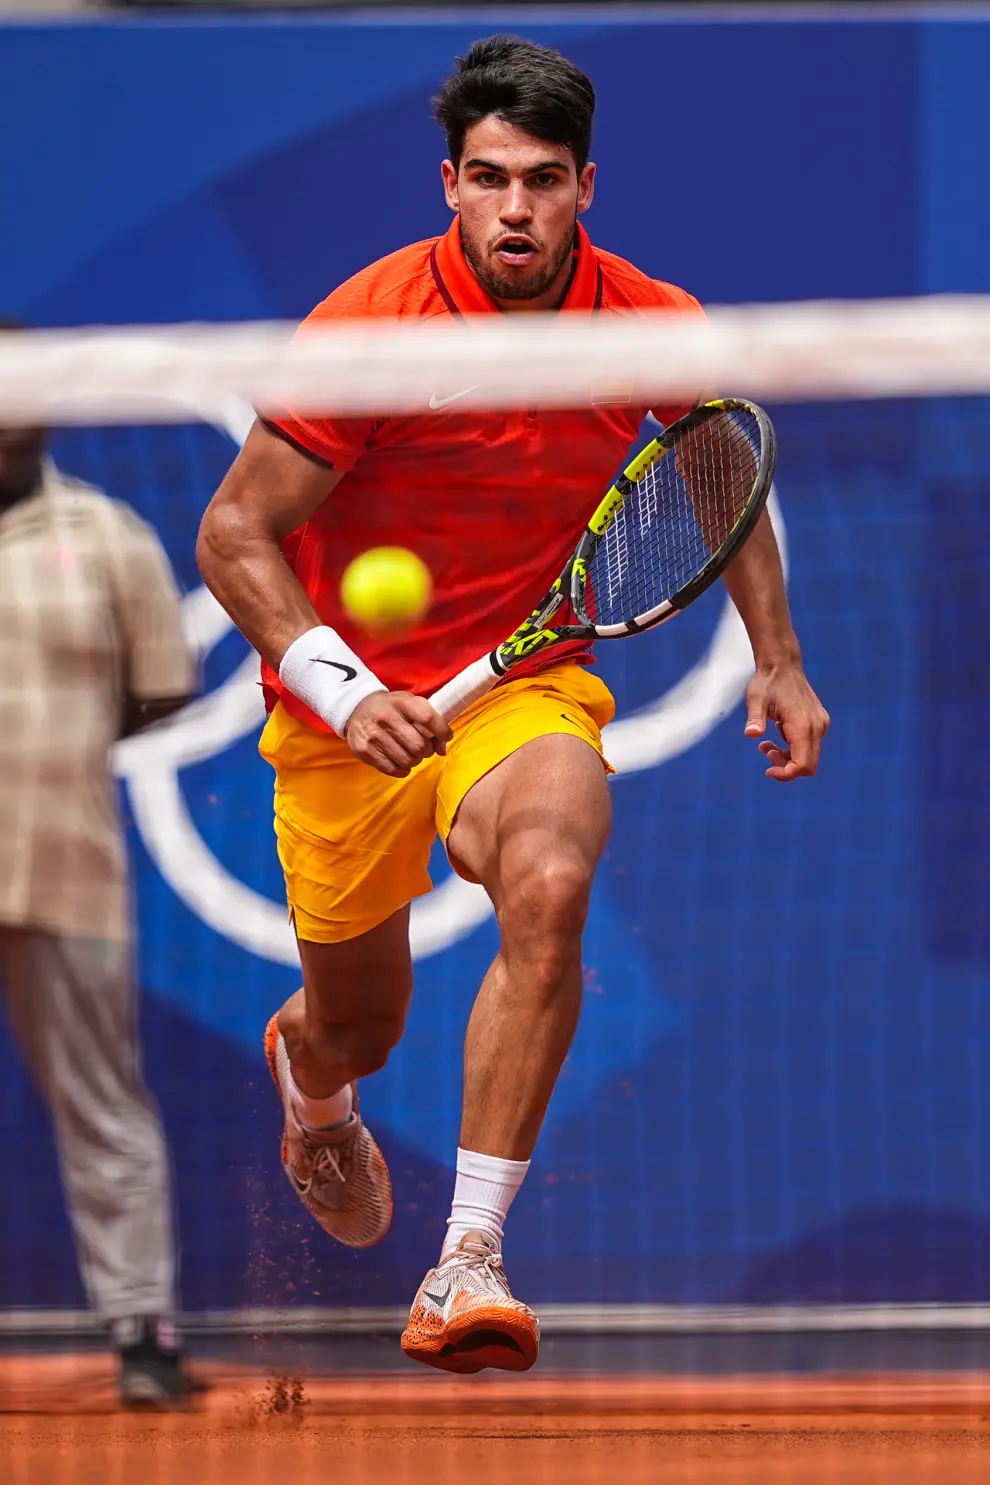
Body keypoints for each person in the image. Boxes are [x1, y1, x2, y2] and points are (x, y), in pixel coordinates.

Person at [197, 35, 830, 1375]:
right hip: (343, 714)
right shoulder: (370, 326)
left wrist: (775, 655)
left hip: (523, 676)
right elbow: (234, 534)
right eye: (488, 180)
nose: (515, 210)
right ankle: (314, 1090)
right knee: (356, 1021)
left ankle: (466, 1258)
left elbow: (723, 477)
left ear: (585, 187)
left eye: (542, 181)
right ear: (448, 184)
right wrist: (343, 684)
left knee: (548, 882)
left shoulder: (648, 323)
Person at [0, 336, 197, 1405]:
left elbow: (156, 689)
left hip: (63, 864)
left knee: (104, 1103)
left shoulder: (109, 538)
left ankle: (141, 1335)